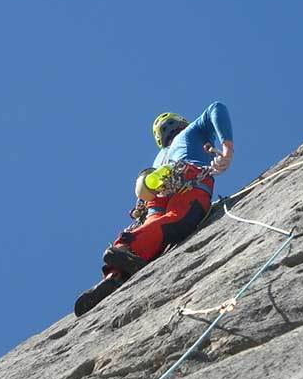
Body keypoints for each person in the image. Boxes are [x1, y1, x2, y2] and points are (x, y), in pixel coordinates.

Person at [74, 102, 234, 316]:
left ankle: (118, 268)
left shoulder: (164, 153)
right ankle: (123, 259)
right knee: (175, 220)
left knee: (157, 224)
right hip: (186, 181)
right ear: (180, 122)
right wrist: (227, 147)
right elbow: (216, 108)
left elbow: (147, 186)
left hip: (158, 191)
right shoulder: (192, 131)